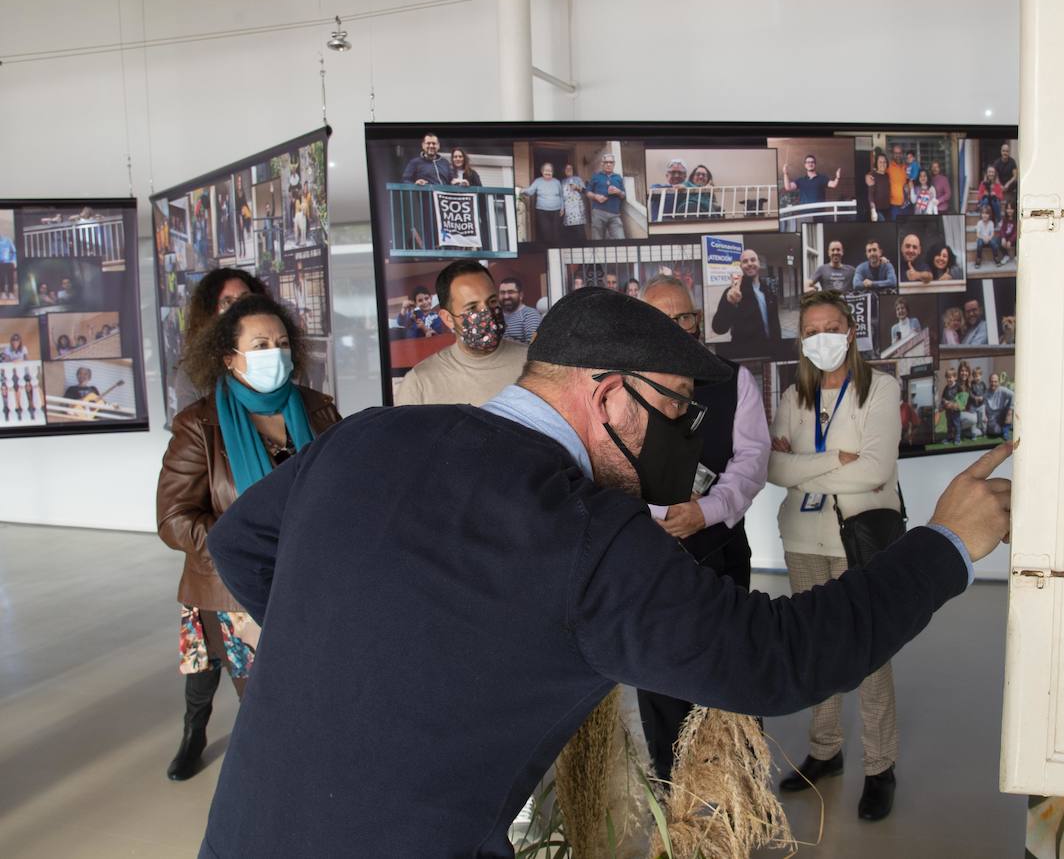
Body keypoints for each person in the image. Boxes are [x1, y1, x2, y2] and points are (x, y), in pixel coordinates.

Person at [197, 286, 1012, 857]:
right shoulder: (585, 533)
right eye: (677, 412)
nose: (689, 439)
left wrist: (360, 645)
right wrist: (942, 544)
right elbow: (779, 657)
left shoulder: (367, 437)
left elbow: (239, 546)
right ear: (611, 394)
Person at [157, 294, 341, 782]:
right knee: (253, 695)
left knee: (314, 685)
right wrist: (245, 546)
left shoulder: (317, 409)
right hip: (235, 589)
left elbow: (346, 486)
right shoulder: (200, 424)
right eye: (259, 344)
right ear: (228, 357)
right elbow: (174, 517)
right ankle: (210, 744)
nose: (274, 353)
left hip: (312, 579)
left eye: (281, 342)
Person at [767, 290, 903, 821]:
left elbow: (874, 470)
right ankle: (826, 751)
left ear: (850, 330)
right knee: (816, 647)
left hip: (859, 536)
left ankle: (880, 766)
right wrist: (831, 459)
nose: (822, 338)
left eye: (831, 326)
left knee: (868, 652)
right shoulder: (792, 396)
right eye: (811, 331)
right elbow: (772, 472)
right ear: (802, 340)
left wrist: (803, 464)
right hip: (803, 538)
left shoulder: (880, 389)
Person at [635, 275, 770, 784]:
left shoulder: (734, 380)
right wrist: (654, 517)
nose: (676, 329)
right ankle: (676, 802)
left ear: (697, 320)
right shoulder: (618, 383)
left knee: (731, 674)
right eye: (660, 320)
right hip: (646, 560)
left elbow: (753, 459)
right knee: (660, 681)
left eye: (685, 318)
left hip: (720, 552)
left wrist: (708, 510)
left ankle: (742, 800)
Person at [394, 260, 527, 406]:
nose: (487, 312)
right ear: (448, 318)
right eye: (472, 307)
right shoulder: (420, 384)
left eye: (492, 301)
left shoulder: (535, 364)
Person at [172, 269, 271, 408]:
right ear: (210, 313)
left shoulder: (278, 355)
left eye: (245, 299)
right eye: (227, 302)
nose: (239, 307)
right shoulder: (191, 372)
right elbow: (189, 427)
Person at [710, 247, 781, 355]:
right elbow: (718, 328)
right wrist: (729, 304)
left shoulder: (768, 291)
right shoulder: (732, 293)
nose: (749, 263)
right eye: (745, 261)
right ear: (740, 266)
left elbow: (775, 324)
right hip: (745, 353)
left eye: (753, 260)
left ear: (759, 263)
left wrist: (778, 347)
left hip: (769, 350)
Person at [522, 162, 564, 244]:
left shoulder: (557, 182)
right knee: (546, 233)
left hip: (556, 211)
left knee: (556, 233)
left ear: (553, 172)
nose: (548, 172)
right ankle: (548, 249)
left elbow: (561, 196)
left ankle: (555, 248)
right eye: (546, 170)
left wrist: (562, 208)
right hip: (542, 211)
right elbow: (530, 191)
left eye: (550, 170)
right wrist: (521, 190)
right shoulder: (538, 181)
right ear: (542, 171)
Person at [588, 153, 626, 239]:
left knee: (621, 239)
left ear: (614, 164)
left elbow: (623, 195)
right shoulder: (596, 176)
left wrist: (618, 191)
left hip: (615, 215)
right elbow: (588, 192)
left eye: (611, 162)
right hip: (598, 213)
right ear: (602, 163)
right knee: (597, 240)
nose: (608, 164)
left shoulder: (618, 177)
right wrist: (596, 196)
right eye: (606, 162)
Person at [498, 276, 542, 344]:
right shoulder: (496, 316)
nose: (506, 296)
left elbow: (533, 346)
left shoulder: (530, 315)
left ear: (521, 295)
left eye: (511, 292)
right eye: (502, 292)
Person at [650, 158, 690, 222]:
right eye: (673, 172)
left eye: (680, 173)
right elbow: (652, 189)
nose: (676, 175)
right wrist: (674, 187)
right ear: (667, 175)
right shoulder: (657, 187)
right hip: (661, 225)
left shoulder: (689, 189)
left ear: (685, 176)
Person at [983, 371, 1014, 441]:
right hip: (992, 417)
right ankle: (1004, 428)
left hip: (1002, 412)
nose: (993, 383)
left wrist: (1010, 409)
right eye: (991, 381)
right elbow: (983, 406)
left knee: (1010, 408)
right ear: (989, 382)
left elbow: (1013, 395)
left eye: (995, 381)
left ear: (999, 382)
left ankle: (1006, 431)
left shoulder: (1002, 390)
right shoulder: (986, 393)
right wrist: (984, 415)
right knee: (995, 431)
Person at [559, 162, 586, 239]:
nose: (569, 170)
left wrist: (577, 187)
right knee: (569, 232)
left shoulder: (578, 179)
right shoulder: (562, 182)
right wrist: (562, 208)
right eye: (567, 168)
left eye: (570, 168)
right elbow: (561, 196)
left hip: (578, 209)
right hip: (568, 210)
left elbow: (585, 190)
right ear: (564, 170)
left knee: (580, 231)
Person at [864, 153, 893, 221]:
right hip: (878, 211)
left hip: (888, 209)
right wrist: (873, 210)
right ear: (876, 163)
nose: (882, 164)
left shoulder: (887, 175)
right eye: (880, 162)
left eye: (884, 162)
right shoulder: (872, 176)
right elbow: (870, 195)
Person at [993, 142, 1018, 208]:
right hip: (1000, 184)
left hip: (1009, 185)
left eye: (1007, 151)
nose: (1005, 153)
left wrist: (1008, 184)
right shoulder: (997, 162)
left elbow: (1015, 176)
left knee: (1016, 182)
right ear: (1001, 151)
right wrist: (1000, 185)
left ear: (1009, 152)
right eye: (1003, 151)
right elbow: (995, 176)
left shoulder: (1012, 161)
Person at [0, 228, 18, 300]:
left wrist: (14, 260)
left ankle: (11, 292)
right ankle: (3, 292)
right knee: (1, 278)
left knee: (10, 278)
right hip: (0, 263)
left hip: (9, 262)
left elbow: (14, 251)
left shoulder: (8, 240)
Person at [998, 202, 1017, 266]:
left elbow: (1016, 232)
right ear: (1006, 210)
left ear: (1014, 210)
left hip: (1013, 238)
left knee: (1019, 239)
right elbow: (1001, 229)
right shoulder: (1004, 218)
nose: (1009, 211)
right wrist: (1003, 238)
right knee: (998, 240)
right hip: (1006, 237)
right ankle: (1006, 255)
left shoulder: (1016, 219)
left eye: (1011, 209)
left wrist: (1010, 241)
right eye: (1008, 209)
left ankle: (1016, 255)